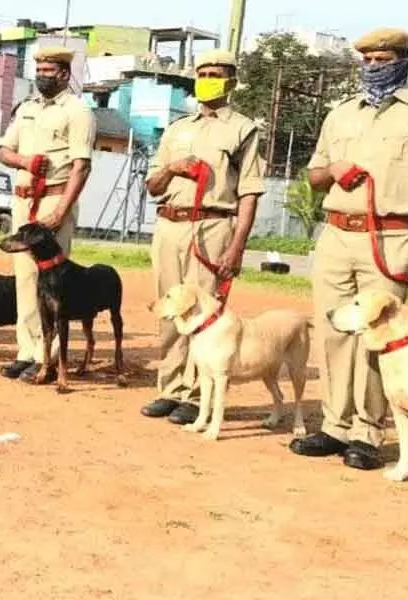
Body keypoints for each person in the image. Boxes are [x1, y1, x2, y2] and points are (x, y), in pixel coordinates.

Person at [290, 27, 408, 470]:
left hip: (391, 236)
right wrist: (334, 170)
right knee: (333, 332)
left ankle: (368, 432)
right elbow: (313, 175)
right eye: (367, 61)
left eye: (383, 60)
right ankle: (334, 425)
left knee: (379, 335)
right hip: (336, 234)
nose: (373, 68)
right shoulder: (340, 113)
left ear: (402, 60)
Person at [139, 49, 265, 425]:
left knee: (204, 312)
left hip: (213, 224)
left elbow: (249, 192)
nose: (207, 78)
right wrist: (172, 169)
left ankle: (196, 394)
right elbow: (152, 185)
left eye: (216, 73)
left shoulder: (243, 128)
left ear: (231, 81)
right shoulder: (177, 129)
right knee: (169, 309)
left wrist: (236, 245)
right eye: (203, 72)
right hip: (169, 224)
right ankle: (170, 387)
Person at [0, 47, 96, 384]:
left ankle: (49, 358)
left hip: (54, 202)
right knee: (25, 280)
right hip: (24, 202)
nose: (42, 74)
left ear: (65, 74)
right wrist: (24, 162)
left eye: (49, 69)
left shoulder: (78, 111)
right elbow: (4, 151)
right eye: (38, 68)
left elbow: (81, 168)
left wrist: (60, 211)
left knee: (53, 285)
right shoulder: (26, 108)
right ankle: (27, 352)